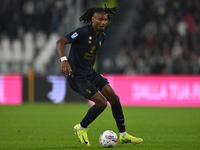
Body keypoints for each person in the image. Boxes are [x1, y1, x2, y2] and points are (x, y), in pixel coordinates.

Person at [56, 4, 143, 146]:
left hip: (89, 73)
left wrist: (91, 69)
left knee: (114, 99)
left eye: (105, 19)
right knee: (102, 103)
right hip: (76, 76)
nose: (104, 22)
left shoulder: (102, 36)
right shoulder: (82, 32)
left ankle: (123, 135)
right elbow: (60, 42)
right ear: (93, 19)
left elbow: (94, 51)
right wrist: (64, 60)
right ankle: (81, 128)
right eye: (100, 19)